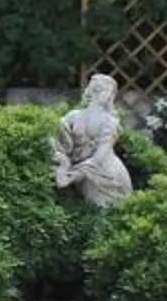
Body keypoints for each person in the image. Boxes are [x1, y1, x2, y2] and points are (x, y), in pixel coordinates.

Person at [50, 73, 134, 210]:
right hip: (83, 172)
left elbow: (100, 156)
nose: (104, 93)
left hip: (106, 174)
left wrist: (74, 175)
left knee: (106, 212)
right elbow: (57, 138)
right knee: (89, 212)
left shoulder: (110, 121)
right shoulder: (74, 116)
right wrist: (62, 160)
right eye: (99, 88)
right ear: (91, 90)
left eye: (108, 90)